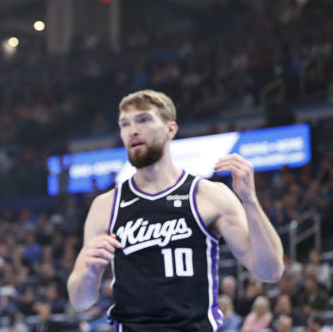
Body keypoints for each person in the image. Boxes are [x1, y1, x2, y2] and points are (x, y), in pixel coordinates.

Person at [67, 89, 284, 331]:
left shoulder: (209, 195)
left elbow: (270, 271)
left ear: (171, 129)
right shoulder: (106, 205)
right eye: (124, 124)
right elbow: (80, 301)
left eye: (143, 120)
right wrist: (89, 271)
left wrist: (250, 200)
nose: (132, 130)